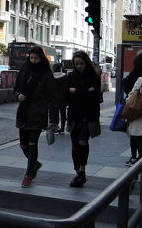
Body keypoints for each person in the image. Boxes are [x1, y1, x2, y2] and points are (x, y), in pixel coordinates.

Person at [14, 46, 54, 188]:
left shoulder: (46, 75)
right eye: (31, 58)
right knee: (23, 145)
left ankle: (28, 175)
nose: (33, 60)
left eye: (36, 58)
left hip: (38, 113)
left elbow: (51, 96)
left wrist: (53, 118)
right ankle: (35, 164)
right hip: (23, 112)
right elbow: (16, 89)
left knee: (32, 144)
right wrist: (18, 95)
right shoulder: (24, 70)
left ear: (41, 59)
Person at [65, 50, 101, 188]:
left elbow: (94, 97)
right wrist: (85, 92)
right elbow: (67, 95)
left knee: (82, 141)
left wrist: (77, 92)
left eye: (81, 63)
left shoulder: (94, 77)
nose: (79, 66)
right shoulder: (71, 76)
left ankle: (82, 169)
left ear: (86, 62)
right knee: (75, 145)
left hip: (88, 115)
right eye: (76, 64)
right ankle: (78, 172)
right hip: (74, 115)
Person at [122, 52, 142, 166]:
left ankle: (134, 156)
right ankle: (141, 155)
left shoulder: (133, 74)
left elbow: (126, 90)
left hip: (133, 107)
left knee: (133, 133)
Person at [50, 63, 68, 135]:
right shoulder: (65, 76)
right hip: (63, 98)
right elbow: (67, 88)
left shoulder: (51, 77)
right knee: (63, 114)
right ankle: (62, 129)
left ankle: (55, 128)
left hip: (54, 99)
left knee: (55, 114)